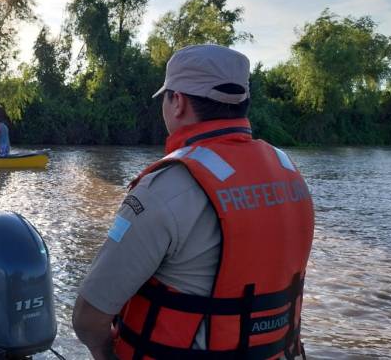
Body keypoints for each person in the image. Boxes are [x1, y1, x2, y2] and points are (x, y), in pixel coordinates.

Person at [72, 44, 315, 360]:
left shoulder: (164, 189)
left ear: (178, 102)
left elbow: (89, 318)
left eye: (166, 96)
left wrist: (106, 353)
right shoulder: (290, 174)